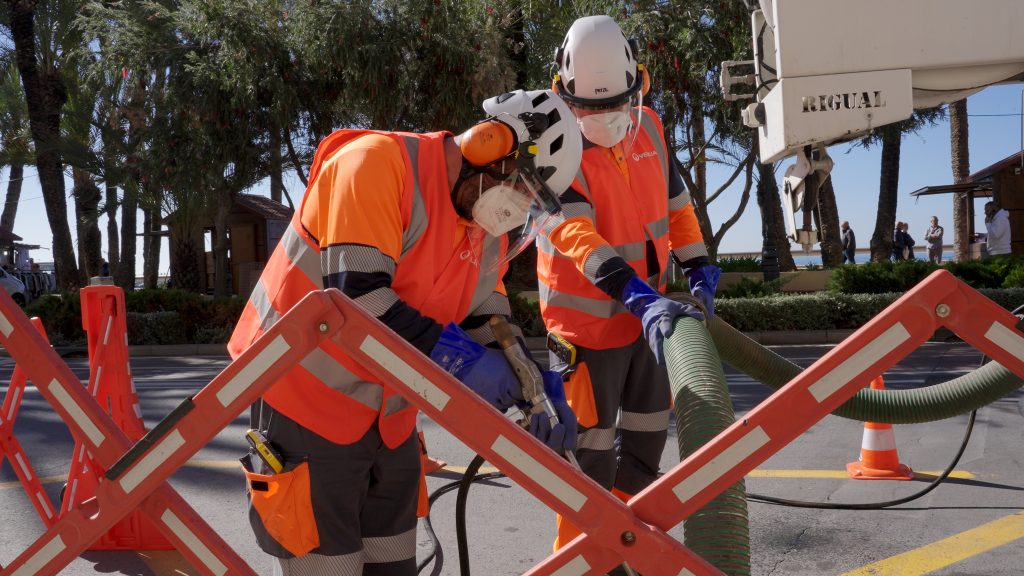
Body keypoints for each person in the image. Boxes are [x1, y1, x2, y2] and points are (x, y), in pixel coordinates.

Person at [228, 89, 582, 575]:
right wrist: (467, 364)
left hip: (389, 416)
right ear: (489, 142)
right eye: (521, 189)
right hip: (305, 400)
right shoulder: (375, 164)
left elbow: (487, 309)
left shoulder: (477, 220)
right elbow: (356, 299)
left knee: (391, 563)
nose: (517, 210)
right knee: (328, 568)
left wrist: (527, 377)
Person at [541, 15, 719, 556]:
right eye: (589, 108)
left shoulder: (653, 128)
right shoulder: (554, 146)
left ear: (638, 85)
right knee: (584, 467)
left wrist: (697, 266)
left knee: (644, 451)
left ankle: (625, 558)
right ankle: (579, 565)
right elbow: (576, 235)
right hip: (587, 335)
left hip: (650, 328)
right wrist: (638, 296)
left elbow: (677, 210)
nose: (601, 118)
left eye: (611, 104)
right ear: (563, 95)